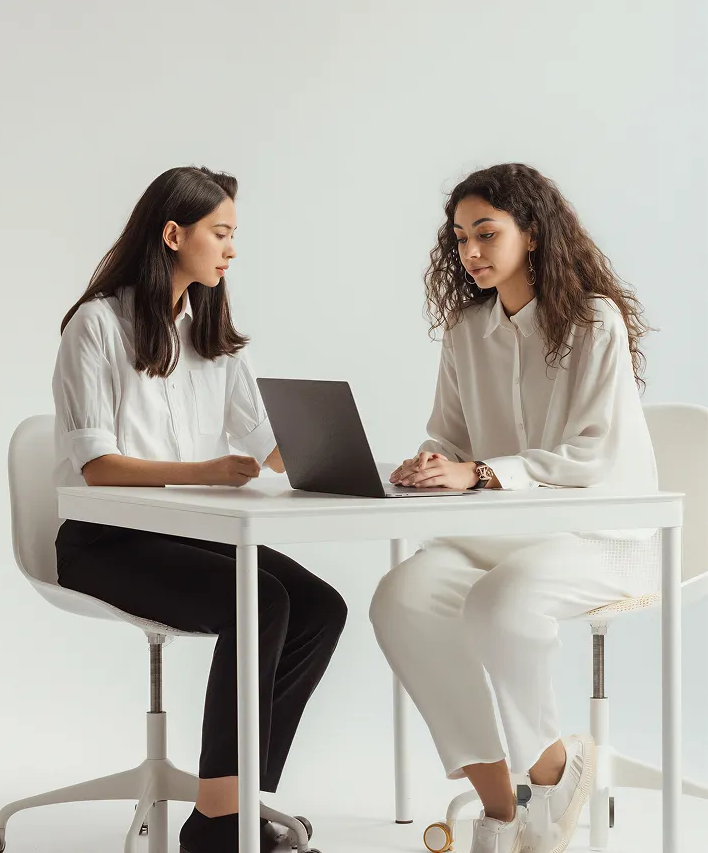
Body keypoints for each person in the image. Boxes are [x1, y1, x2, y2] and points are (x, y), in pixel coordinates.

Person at [52, 166, 347, 853]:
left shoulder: (209, 334)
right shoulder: (96, 326)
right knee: (261, 601)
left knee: (321, 607)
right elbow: (97, 467)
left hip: (192, 533)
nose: (231, 249)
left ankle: (237, 801)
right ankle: (219, 827)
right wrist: (205, 471)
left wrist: (356, 461)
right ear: (172, 233)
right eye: (221, 232)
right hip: (106, 541)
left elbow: (270, 449)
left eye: (233, 234)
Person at [369, 163, 658, 853]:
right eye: (461, 237)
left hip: (600, 530)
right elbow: (451, 434)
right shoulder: (468, 329)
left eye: (487, 234)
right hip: (501, 531)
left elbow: (592, 455)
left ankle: (554, 771)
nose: (470, 252)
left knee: (500, 603)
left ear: (532, 234)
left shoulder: (594, 323)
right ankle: (504, 809)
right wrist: (434, 463)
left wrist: (479, 472)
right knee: (401, 597)